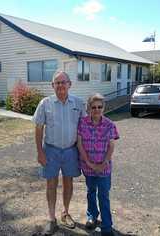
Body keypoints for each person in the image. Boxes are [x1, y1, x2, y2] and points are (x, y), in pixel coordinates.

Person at [32, 70, 86, 235]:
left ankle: (65, 212)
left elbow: (83, 129)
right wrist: (40, 152)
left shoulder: (78, 103)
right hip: (51, 150)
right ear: (52, 85)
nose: (61, 85)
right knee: (51, 184)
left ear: (70, 84)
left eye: (64, 82)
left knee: (68, 183)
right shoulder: (45, 103)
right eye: (57, 82)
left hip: (71, 151)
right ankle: (51, 218)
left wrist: (83, 152)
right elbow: (39, 128)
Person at [77, 93, 119, 236]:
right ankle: (92, 216)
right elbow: (79, 144)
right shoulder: (82, 122)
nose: (96, 110)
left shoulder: (109, 124)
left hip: (104, 167)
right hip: (88, 167)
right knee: (90, 192)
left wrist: (104, 162)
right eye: (93, 107)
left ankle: (107, 226)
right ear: (89, 108)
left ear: (103, 107)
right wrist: (88, 163)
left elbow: (111, 146)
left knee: (103, 195)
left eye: (99, 107)